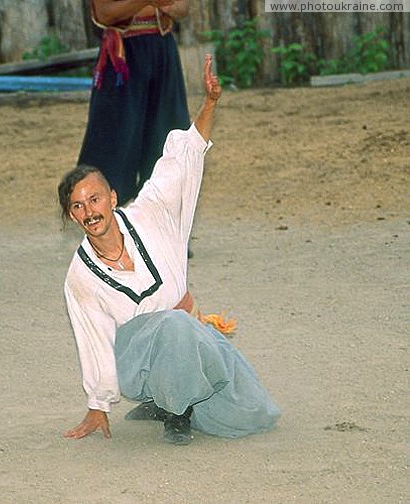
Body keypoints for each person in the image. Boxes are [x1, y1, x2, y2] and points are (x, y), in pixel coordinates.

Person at [58, 55, 280, 445]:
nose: (89, 211)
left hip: (189, 339)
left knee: (256, 416)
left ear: (112, 198)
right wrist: (98, 405)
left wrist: (209, 103)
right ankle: (174, 409)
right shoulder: (80, 276)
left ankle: (169, 400)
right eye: (78, 206)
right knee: (174, 323)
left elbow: (182, 157)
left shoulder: (149, 211)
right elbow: (91, 337)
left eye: (94, 199)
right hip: (135, 361)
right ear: (72, 217)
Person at [77, 0, 191, 206]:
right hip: (123, 55)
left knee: (166, 134)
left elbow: (183, 8)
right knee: (114, 140)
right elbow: (103, 14)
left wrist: (168, 6)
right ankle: (103, 215)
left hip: (162, 50)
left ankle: (157, 212)